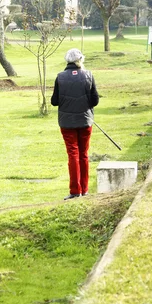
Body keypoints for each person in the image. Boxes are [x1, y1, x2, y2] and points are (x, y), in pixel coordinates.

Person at [51, 48, 100, 200]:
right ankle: (84, 190)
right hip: (86, 121)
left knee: (73, 154)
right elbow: (95, 100)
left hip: (67, 123)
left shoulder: (60, 77)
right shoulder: (88, 75)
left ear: (67, 61)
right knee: (83, 154)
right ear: (80, 60)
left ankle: (75, 191)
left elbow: (54, 101)